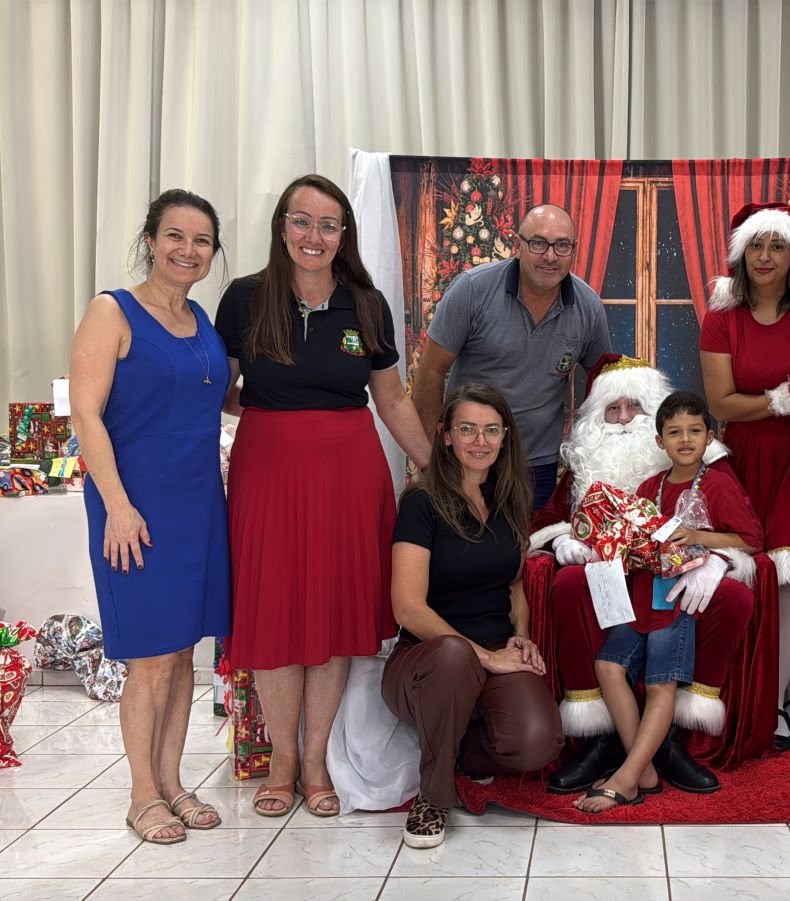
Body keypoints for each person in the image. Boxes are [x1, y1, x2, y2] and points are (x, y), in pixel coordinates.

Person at [215, 174, 431, 818]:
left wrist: (436, 468)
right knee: (274, 612)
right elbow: (219, 390)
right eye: (302, 221)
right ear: (282, 226)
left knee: (333, 616)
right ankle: (281, 762)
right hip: (267, 472)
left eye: (329, 225)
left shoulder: (366, 304)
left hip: (348, 474)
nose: (315, 235)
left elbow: (391, 398)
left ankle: (315, 765)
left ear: (344, 235)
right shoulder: (245, 298)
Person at [70, 189, 230, 844]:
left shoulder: (201, 320)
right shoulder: (112, 311)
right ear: (150, 240)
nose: (188, 250)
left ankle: (172, 781)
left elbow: (217, 399)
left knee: (184, 650)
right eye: (175, 236)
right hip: (134, 506)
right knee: (151, 657)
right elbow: (86, 414)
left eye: (201, 241)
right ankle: (142, 795)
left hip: (199, 505)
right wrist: (117, 505)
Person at [529, 354, 756, 795]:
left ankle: (665, 744)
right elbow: (551, 518)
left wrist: (717, 559)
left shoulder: (706, 467)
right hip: (618, 579)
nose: (622, 419)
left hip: (666, 587)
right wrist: (563, 539)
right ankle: (602, 738)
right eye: (612, 409)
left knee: (728, 602)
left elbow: (744, 533)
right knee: (572, 584)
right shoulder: (589, 465)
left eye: (634, 406)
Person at [384, 384, 563, 847]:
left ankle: (460, 746)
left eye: (491, 430)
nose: (480, 441)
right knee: (453, 656)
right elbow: (408, 607)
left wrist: (521, 635)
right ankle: (433, 796)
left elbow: (515, 583)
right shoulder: (421, 504)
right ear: (446, 436)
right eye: (467, 429)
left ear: (505, 437)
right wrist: (485, 657)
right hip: (427, 658)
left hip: (495, 650)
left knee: (537, 743)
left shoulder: (509, 500)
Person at [699, 202, 790, 751]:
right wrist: (782, 399)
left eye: (777, 245)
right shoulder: (722, 318)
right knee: (761, 571)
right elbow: (722, 403)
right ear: (741, 253)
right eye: (756, 245)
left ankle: (774, 702)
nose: (765, 256)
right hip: (745, 457)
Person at [577, 391, 763, 812]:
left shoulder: (718, 484)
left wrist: (697, 536)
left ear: (709, 437)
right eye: (674, 432)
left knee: (661, 683)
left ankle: (625, 778)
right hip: (643, 595)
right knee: (608, 666)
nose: (685, 440)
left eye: (695, 431)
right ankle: (643, 770)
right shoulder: (651, 486)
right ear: (660, 441)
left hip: (677, 602)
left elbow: (751, 539)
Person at [412, 203, 611, 509]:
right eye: (538, 243)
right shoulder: (472, 290)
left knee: (530, 541)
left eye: (562, 246)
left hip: (537, 466)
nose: (550, 256)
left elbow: (606, 383)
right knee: (462, 538)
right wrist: (433, 457)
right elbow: (430, 372)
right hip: (468, 457)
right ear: (518, 245)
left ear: (574, 249)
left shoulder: (588, 307)